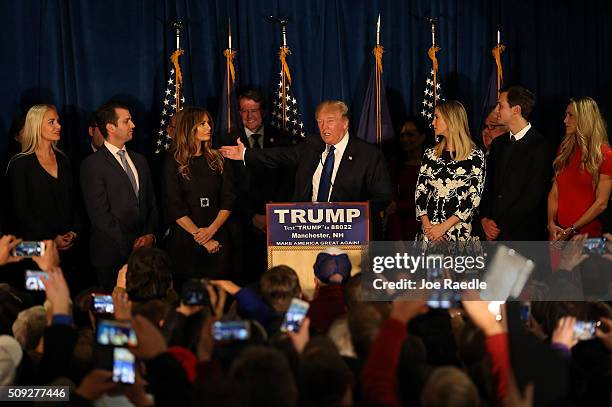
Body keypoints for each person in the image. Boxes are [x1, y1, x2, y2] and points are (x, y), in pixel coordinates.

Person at [220, 100, 392, 237]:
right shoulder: (312, 145)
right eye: (320, 122)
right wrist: (245, 154)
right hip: (308, 230)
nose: (324, 128)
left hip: (349, 231)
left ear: (345, 123)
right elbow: (280, 155)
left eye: (330, 121)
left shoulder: (368, 154)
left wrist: (352, 214)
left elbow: (383, 196)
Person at [80, 101, 158, 290]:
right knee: (112, 312)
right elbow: (100, 215)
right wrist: (131, 244)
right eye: (127, 121)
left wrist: (150, 235)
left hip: (145, 255)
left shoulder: (140, 160)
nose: (133, 125)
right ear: (110, 127)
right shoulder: (92, 164)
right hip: (111, 256)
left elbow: (151, 204)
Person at [223, 89, 291, 283]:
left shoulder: (282, 139)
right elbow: (228, 186)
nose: (249, 116)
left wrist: (273, 212)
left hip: (277, 221)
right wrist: (251, 216)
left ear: (263, 111)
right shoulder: (227, 141)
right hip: (242, 224)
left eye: (254, 110)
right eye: (244, 110)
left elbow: (288, 180)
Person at [161, 107, 235, 286]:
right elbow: (174, 205)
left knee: (219, 296)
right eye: (202, 124)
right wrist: (201, 236)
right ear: (188, 127)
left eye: (208, 123)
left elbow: (228, 199)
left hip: (218, 237)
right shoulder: (173, 162)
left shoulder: (218, 159)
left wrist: (211, 231)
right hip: (185, 241)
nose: (208, 127)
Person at [480, 86, 555, 241]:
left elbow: (532, 197)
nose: (496, 110)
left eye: (500, 105)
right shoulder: (498, 144)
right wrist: (485, 219)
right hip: (492, 233)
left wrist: (499, 226)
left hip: (522, 236)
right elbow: (487, 186)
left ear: (516, 110)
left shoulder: (541, 147)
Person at [6, 104, 81, 250]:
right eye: (51, 122)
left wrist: (74, 232)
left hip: (69, 247)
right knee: (39, 274)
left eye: (58, 121)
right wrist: (52, 239)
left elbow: (76, 201)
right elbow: (21, 210)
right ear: (36, 126)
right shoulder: (19, 164)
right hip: (34, 249)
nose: (58, 126)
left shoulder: (64, 159)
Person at [415, 100, 486, 241]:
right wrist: (429, 228)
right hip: (429, 234)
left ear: (451, 120)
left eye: (437, 117)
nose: (433, 123)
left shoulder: (475, 156)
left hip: (460, 235)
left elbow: (473, 198)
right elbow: (420, 192)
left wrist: (442, 228)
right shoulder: (430, 154)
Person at [548, 97, 612, 240]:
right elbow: (555, 191)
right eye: (566, 115)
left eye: (571, 115)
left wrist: (571, 229)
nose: (565, 120)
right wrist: (551, 223)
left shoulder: (605, 155)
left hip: (586, 238)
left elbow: (601, 203)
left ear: (585, 119)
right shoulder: (564, 150)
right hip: (558, 233)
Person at [387, 117, 427, 241]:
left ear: (422, 137)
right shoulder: (395, 166)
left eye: (410, 134)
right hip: (402, 230)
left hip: (430, 229)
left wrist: (400, 206)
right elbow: (391, 206)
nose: (405, 139)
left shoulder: (432, 165)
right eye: (402, 135)